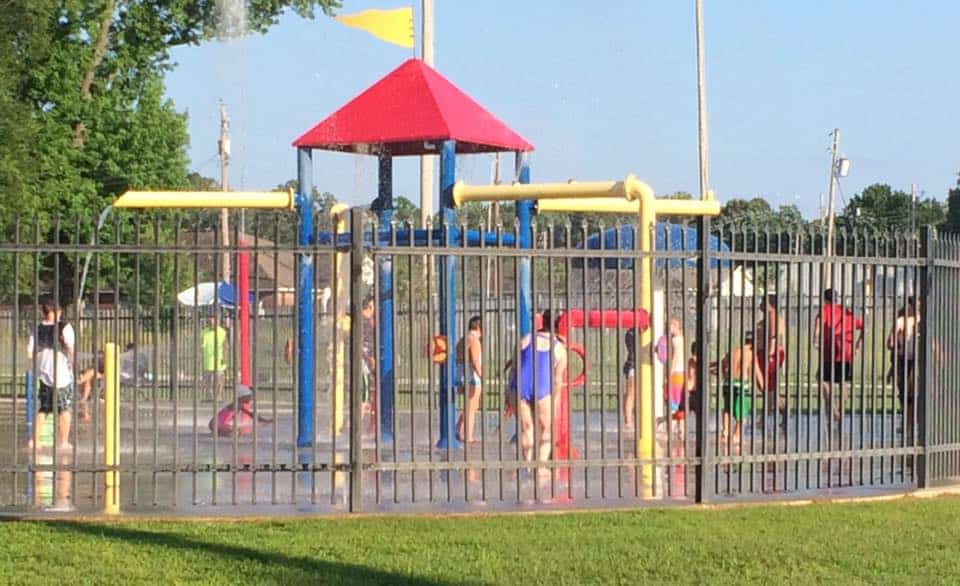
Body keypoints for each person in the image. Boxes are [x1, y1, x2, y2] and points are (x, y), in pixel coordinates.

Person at [507, 311, 567, 481]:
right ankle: (540, 468)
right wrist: (554, 400)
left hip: (520, 385)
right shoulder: (559, 348)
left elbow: (513, 369)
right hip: (543, 386)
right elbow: (557, 380)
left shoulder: (525, 339)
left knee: (527, 428)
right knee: (546, 428)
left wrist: (508, 391)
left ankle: (526, 466)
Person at [26, 301, 76, 450]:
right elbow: (70, 349)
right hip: (62, 375)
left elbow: (30, 351)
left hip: (44, 374)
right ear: (57, 311)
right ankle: (64, 441)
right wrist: (73, 364)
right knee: (65, 408)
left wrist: (33, 368)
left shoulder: (37, 329)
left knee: (44, 409)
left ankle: (34, 441)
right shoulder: (64, 327)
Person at [814, 288, 864, 421]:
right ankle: (840, 410)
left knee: (824, 380)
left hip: (830, 349)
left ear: (825, 299)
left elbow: (818, 327)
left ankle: (833, 408)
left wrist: (816, 340)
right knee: (844, 382)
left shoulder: (824, 310)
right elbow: (863, 326)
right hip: (846, 349)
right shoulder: (847, 312)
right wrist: (859, 343)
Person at [720, 332, 764, 456]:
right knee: (742, 412)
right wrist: (763, 387)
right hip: (741, 384)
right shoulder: (751, 354)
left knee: (728, 408)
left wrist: (725, 376)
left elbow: (723, 364)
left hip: (728, 383)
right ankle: (737, 435)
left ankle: (725, 431)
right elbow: (757, 372)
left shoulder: (734, 351)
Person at [887, 296, 919, 436]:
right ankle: (908, 423)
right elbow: (890, 341)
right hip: (905, 359)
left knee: (911, 394)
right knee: (907, 394)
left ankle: (910, 422)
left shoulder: (919, 320)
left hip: (913, 360)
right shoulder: (902, 320)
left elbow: (890, 343)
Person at [455, 316, 483, 444]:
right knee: (472, 407)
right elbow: (475, 361)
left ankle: (458, 428)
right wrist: (481, 375)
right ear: (478, 327)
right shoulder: (474, 340)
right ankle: (469, 436)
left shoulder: (463, 339)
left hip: (461, 373)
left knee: (468, 405)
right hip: (471, 375)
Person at [755, 294, 786, 412]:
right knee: (767, 385)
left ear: (770, 304)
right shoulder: (768, 318)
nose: (760, 304)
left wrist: (770, 354)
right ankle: (781, 409)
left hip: (771, 353)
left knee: (767, 385)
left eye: (763, 301)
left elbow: (774, 336)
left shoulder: (773, 316)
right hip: (765, 352)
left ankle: (766, 413)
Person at [665, 318, 686, 435]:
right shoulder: (683, 339)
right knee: (680, 401)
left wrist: (669, 373)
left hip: (676, 373)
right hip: (682, 373)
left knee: (673, 402)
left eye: (670, 326)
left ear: (675, 326)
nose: (669, 329)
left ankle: (670, 429)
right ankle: (681, 428)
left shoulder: (675, 340)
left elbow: (675, 357)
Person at [360, 295, 377, 433]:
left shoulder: (368, 322)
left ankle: (368, 424)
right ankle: (356, 424)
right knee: (365, 391)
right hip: (364, 363)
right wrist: (368, 357)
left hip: (366, 361)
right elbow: (361, 344)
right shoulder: (363, 322)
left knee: (369, 392)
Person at [201, 315, 228, 401]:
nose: (211, 324)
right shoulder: (204, 332)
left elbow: (225, 346)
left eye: (213, 322)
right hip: (207, 360)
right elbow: (201, 345)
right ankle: (208, 396)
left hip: (219, 359)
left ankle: (218, 396)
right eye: (209, 322)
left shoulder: (222, 332)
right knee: (207, 379)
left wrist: (225, 357)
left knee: (219, 378)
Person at [622, 327, 637, 430]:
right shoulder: (631, 333)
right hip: (634, 364)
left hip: (637, 363)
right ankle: (628, 421)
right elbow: (632, 351)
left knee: (632, 393)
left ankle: (630, 419)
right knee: (631, 392)